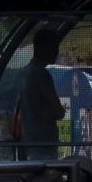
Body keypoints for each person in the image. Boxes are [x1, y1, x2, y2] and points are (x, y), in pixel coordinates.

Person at [15, 28, 64, 160]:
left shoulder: (24, 72)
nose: (56, 52)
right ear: (43, 48)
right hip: (44, 144)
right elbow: (59, 111)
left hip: (29, 141)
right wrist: (54, 112)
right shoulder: (42, 75)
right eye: (54, 47)